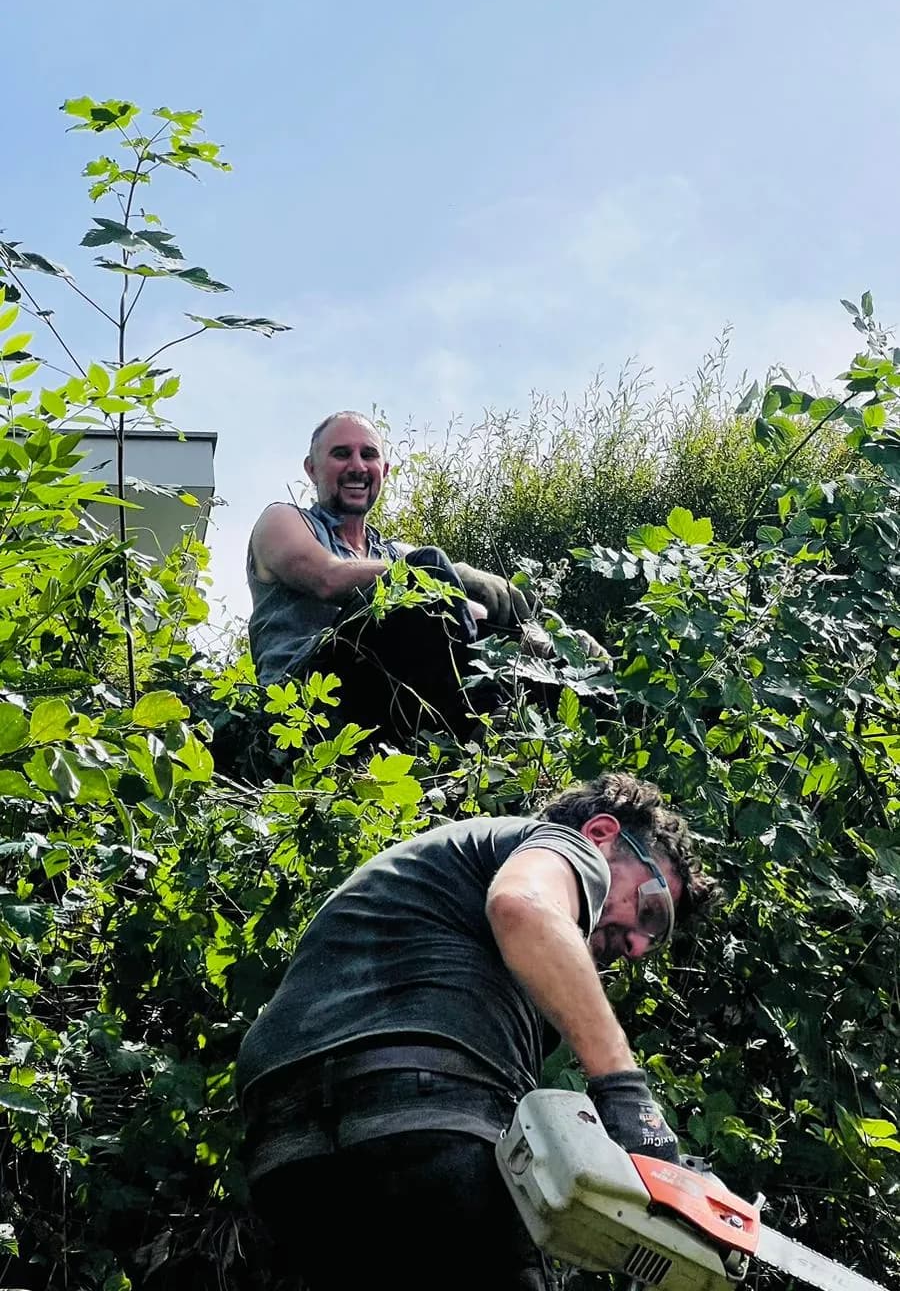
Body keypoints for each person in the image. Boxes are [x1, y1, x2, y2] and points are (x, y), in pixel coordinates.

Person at [236, 771, 717, 1291]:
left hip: (282, 1143)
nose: (638, 946)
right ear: (601, 834)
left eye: (654, 940)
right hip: (420, 1105)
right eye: (651, 910)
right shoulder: (562, 846)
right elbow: (523, 905)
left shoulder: (441, 882)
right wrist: (627, 1094)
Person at [247, 410, 600, 743]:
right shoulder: (284, 521)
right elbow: (328, 578)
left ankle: (589, 694)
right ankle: (488, 717)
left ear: (384, 470)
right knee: (430, 565)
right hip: (307, 698)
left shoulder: (390, 552)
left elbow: (471, 614)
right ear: (311, 469)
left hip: (389, 699)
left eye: (368, 455)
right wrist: (437, 575)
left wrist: (541, 637)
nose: (357, 466)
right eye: (341, 454)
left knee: (500, 609)